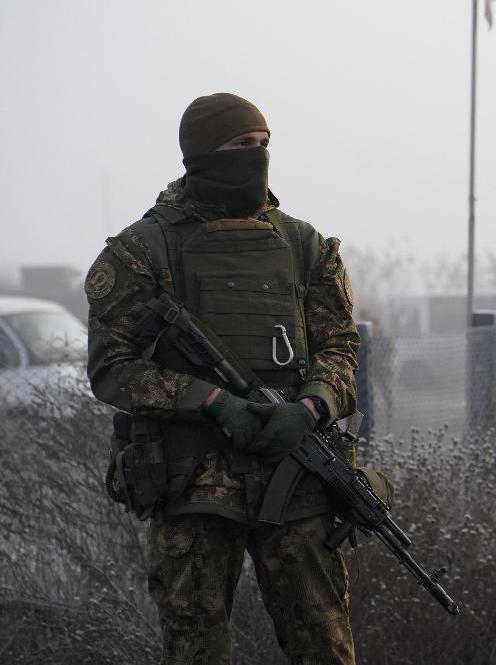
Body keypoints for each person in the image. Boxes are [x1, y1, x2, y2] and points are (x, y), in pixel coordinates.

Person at [85, 93, 361, 664]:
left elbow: (340, 347)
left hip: (295, 472)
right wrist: (209, 400)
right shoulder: (143, 251)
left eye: (264, 145)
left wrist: (310, 407)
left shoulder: (305, 246)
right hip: (192, 482)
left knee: (324, 641)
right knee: (195, 647)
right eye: (242, 145)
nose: (257, 157)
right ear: (204, 153)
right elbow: (113, 366)